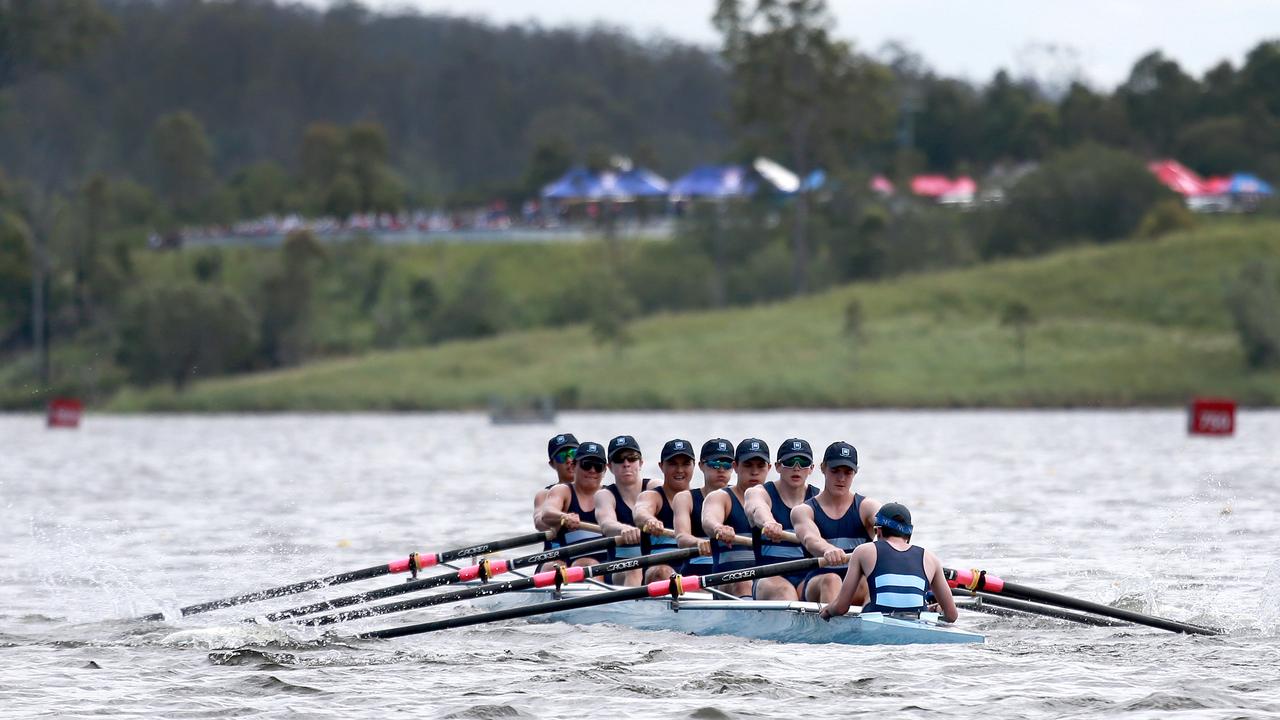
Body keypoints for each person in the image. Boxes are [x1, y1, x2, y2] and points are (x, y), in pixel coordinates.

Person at [819, 502, 958, 623]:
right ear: (909, 535)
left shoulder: (863, 551)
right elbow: (952, 615)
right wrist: (931, 614)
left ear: (878, 531)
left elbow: (841, 607)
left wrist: (826, 611)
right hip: (918, 621)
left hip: (876, 622)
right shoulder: (931, 558)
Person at [791, 442, 880, 604]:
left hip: (855, 585)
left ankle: (873, 623)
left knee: (873, 581)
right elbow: (810, 539)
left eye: (848, 472)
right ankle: (833, 626)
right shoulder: (803, 511)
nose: (841, 478)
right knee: (832, 580)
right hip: (818, 581)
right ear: (823, 468)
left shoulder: (867, 507)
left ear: (855, 472)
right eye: (835, 471)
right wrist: (828, 550)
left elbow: (884, 523)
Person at [745, 438, 819, 601]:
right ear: (778, 466)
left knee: (829, 583)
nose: (796, 468)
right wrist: (768, 522)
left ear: (811, 468)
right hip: (768, 576)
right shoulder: (759, 492)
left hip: (806, 576)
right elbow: (757, 508)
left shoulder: (819, 498)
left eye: (803, 462)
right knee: (785, 592)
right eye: (790, 462)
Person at [701, 438, 772, 598]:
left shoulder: (774, 496)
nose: (754, 472)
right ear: (735, 466)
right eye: (748, 465)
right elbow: (708, 520)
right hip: (727, 582)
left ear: (769, 468)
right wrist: (718, 528)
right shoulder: (720, 497)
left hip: (766, 582)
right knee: (744, 581)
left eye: (760, 466)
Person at [634, 438, 704, 583]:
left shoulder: (705, 499)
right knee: (662, 572)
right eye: (673, 464)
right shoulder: (653, 497)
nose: (679, 470)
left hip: (694, 571)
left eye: (685, 464)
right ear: (661, 466)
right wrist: (650, 520)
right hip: (659, 573)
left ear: (694, 466)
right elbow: (641, 512)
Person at [537, 441, 611, 567]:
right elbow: (544, 516)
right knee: (561, 566)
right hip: (566, 562)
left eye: (598, 466)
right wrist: (563, 517)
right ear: (575, 466)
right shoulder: (559, 491)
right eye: (586, 465)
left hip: (607, 565)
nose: (592, 470)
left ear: (605, 470)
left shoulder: (612, 494)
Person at [669, 438, 734, 578]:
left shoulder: (743, 497)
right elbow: (681, 538)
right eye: (714, 464)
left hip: (732, 573)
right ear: (701, 465)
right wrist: (698, 542)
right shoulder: (685, 498)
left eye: (727, 464)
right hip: (697, 573)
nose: (721, 469)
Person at [594, 434, 649, 585]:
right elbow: (606, 524)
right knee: (634, 568)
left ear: (641, 463)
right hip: (619, 569)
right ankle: (631, 608)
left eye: (631, 458)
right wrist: (624, 529)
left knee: (665, 571)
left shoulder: (655, 487)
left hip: (655, 566)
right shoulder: (605, 495)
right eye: (619, 459)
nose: (626, 464)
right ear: (609, 466)